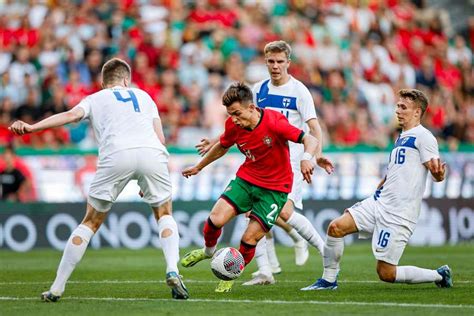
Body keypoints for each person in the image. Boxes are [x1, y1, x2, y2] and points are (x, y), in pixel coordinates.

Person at [9, 58, 189, 301]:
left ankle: (56, 288)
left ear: (104, 83)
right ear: (127, 80)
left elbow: (71, 115)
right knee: (165, 213)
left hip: (116, 155)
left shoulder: (96, 98)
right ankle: (172, 269)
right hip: (152, 155)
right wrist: (147, 179)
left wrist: (32, 128)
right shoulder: (145, 97)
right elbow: (161, 139)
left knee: (90, 222)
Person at [196, 40, 334, 285]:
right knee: (252, 214)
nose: (275, 66)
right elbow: (243, 118)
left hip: (292, 160)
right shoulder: (259, 89)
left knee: (285, 212)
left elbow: (314, 128)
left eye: (280, 61)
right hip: (262, 161)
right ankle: (266, 271)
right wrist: (217, 140)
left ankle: (315, 246)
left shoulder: (299, 91)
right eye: (271, 61)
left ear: (288, 63)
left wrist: (313, 156)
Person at [179, 82, 325, 293]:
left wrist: (307, 159)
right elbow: (222, 146)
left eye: (237, 113)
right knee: (214, 219)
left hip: (275, 189)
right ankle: (209, 251)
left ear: (251, 107)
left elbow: (309, 139)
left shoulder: (275, 123)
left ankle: (230, 274)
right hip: (247, 180)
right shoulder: (233, 124)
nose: (234, 119)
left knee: (249, 239)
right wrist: (198, 167)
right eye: (230, 114)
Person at [301, 89, 453, 291]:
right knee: (335, 227)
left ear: (417, 112)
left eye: (403, 107)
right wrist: (382, 184)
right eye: (398, 105)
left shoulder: (424, 137)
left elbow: (435, 171)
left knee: (386, 273)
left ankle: (439, 275)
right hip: (379, 202)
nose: (397, 110)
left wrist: (439, 175)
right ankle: (328, 281)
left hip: (398, 213)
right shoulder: (402, 136)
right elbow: (399, 169)